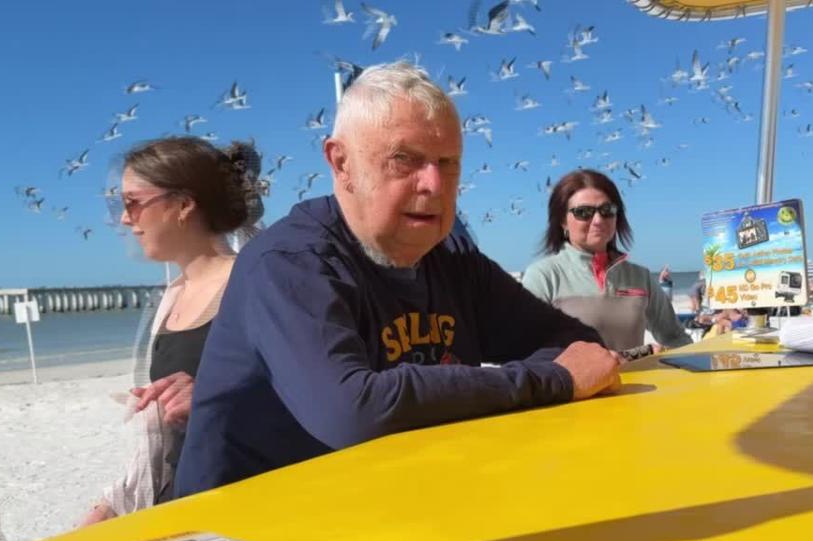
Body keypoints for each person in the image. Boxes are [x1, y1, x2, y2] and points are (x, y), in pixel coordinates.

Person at [173, 62, 620, 498]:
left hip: (389, 506)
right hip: (247, 539)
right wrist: (551, 382)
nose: (433, 184)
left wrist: (549, 377)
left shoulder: (453, 262)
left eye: (448, 163)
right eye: (403, 160)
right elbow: (351, 411)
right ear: (341, 163)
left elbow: (575, 345)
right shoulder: (289, 263)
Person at [80, 137, 264, 525]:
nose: (125, 219)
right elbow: (161, 445)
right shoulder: (172, 295)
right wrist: (105, 510)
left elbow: (310, 396)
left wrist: (214, 397)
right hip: (181, 508)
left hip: (246, 511)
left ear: (183, 205)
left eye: (132, 203)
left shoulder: (255, 282)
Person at [521, 169, 692, 351]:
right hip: (568, 380)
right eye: (583, 212)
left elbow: (675, 337)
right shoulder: (544, 277)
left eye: (607, 210)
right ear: (563, 220)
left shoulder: (640, 277)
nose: (598, 220)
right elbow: (525, 354)